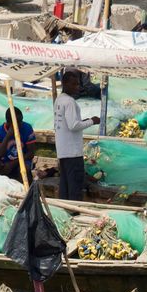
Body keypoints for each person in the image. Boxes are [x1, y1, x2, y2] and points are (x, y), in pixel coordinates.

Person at [54, 71, 100, 201]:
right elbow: (73, 125)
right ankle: (74, 210)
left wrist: (85, 120)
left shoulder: (59, 100)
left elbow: (68, 122)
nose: (77, 88)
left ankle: (65, 209)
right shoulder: (69, 102)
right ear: (65, 83)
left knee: (65, 183)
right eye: (74, 84)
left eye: (78, 84)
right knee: (74, 185)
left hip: (63, 151)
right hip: (72, 152)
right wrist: (92, 121)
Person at [0, 108, 37, 182]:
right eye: (18, 122)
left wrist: (12, 164)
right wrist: (8, 136)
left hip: (22, 161)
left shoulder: (27, 128)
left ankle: (24, 190)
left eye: (21, 121)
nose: (21, 124)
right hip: (4, 163)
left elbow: (31, 153)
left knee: (24, 169)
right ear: (9, 122)